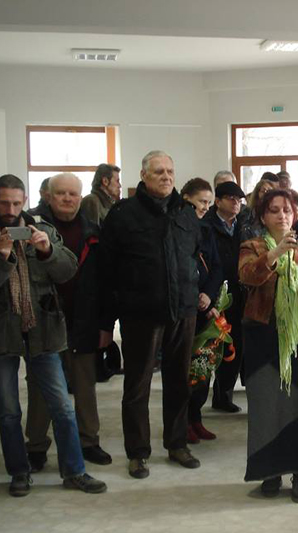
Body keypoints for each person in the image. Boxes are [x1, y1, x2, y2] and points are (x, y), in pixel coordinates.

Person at [0, 174, 106, 496]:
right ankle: (19, 472)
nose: (11, 210)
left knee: (63, 407)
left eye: (16, 203)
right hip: (0, 334)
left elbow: (67, 271)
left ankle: (75, 471)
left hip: (44, 331)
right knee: (9, 411)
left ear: (25, 200)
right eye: (4, 203)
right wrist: (0, 257)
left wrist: (47, 250)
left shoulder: (43, 230)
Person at [99, 151, 202, 479]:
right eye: (158, 171)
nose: (166, 176)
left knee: (179, 382)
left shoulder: (186, 213)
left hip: (182, 311)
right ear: (143, 176)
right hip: (140, 314)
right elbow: (106, 270)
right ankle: (138, 452)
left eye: (170, 170)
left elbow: (195, 255)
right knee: (137, 385)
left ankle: (177, 443)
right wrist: (106, 320)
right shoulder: (123, 214)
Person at [239, 188, 298, 502]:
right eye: (274, 210)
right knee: (268, 404)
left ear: (296, 216)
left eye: (287, 210)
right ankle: (271, 471)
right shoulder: (252, 246)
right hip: (263, 333)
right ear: (263, 216)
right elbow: (248, 276)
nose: (282, 215)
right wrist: (277, 253)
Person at [24, 173, 112, 471]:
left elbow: (105, 282)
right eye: (60, 193)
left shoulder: (93, 231)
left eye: (73, 194)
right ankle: (36, 445)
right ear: (48, 196)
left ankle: (89, 441)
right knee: (41, 388)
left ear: (80, 196)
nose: (67, 198)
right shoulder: (32, 228)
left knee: (85, 386)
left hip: (83, 321)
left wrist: (105, 325)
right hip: (43, 322)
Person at [180, 178, 223, 441]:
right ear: (186, 199)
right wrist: (194, 294)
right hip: (184, 309)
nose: (206, 207)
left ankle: (196, 418)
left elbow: (216, 267)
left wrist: (208, 295)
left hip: (206, 308)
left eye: (209, 202)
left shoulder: (207, 229)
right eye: (201, 201)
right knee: (184, 371)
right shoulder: (176, 227)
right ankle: (182, 421)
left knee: (203, 367)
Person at [205, 181, 248, 413]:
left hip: (237, 294)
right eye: (231, 199)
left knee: (234, 345)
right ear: (218, 201)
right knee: (209, 346)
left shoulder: (243, 226)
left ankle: (223, 395)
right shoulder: (207, 225)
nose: (236, 203)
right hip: (212, 295)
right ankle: (197, 399)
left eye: (239, 200)